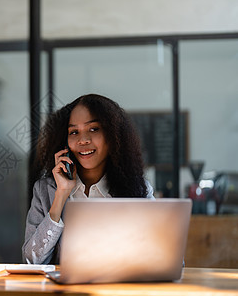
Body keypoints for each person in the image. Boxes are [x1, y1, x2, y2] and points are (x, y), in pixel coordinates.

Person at [22, 93, 154, 265]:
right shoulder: (45, 190)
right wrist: (61, 195)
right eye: (74, 132)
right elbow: (30, 261)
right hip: (64, 291)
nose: (83, 140)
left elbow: (166, 259)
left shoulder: (138, 189)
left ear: (113, 136)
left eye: (94, 129)